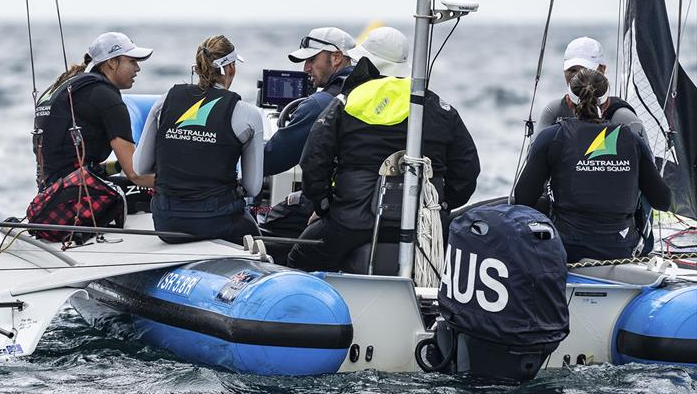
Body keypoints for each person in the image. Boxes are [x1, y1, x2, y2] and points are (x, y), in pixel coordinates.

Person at [287, 27, 480, 272]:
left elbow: (314, 160)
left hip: (350, 224)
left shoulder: (346, 102)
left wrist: (323, 206)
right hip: (424, 227)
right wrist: (440, 207)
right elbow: (467, 169)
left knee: (299, 260)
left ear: (368, 61)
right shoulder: (439, 108)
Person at [514, 69, 670, 263]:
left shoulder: (553, 136)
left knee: (540, 203)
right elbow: (663, 201)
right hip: (621, 250)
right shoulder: (632, 139)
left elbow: (522, 199)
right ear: (608, 104)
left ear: (569, 102)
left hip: (566, 248)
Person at [134, 35, 263, 244]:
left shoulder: (165, 99)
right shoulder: (247, 114)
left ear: (197, 67)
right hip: (218, 223)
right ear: (231, 68)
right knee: (256, 232)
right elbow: (253, 187)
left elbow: (140, 167)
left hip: (167, 225)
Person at [35, 31, 154, 189]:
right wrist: (185, 184)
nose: (137, 68)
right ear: (112, 62)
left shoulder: (65, 86)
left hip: (49, 192)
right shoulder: (106, 97)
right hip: (76, 195)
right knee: (145, 191)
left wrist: (119, 166)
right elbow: (135, 174)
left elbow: (74, 165)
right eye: (132, 61)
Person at [263, 27, 356, 176]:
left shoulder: (319, 105)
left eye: (312, 60)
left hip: (338, 195)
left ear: (337, 57)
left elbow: (270, 160)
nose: (306, 68)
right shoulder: (368, 90)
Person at [537, 37, 646, 142]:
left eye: (585, 69)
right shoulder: (554, 111)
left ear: (602, 69)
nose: (577, 76)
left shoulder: (623, 116)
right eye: (572, 70)